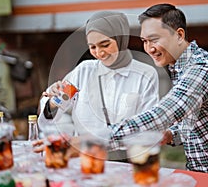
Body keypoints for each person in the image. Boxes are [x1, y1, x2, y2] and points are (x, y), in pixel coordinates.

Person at [108, 4, 208, 186]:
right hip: (203, 176)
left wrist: (97, 140)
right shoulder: (179, 67)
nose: (149, 48)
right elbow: (195, 121)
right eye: (144, 41)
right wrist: (170, 134)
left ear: (179, 35)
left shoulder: (203, 68)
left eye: (154, 39)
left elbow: (163, 114)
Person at [37, 11, 159, 161]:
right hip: (85, 158)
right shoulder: (83, 71)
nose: (99, 53)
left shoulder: (145, 74)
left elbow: (148, 126)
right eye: (92, 47)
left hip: (128, 162)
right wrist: (53, 102)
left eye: (105, 44)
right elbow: (54, 112)